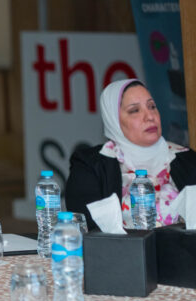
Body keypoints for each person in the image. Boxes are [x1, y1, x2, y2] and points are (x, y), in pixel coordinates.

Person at [66, 78, 196, 231]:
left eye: (152, 107)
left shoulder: (187, 159)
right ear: (114, 119)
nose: (150, 116)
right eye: (135, 110)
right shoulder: (90, 166)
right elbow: (87, 230)